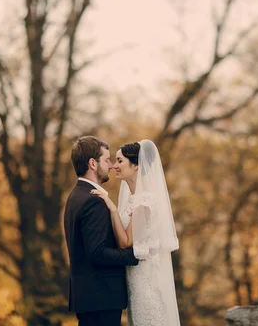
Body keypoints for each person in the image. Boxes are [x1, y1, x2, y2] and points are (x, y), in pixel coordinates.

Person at [91, 139, 181, 326]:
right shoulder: (135, 200)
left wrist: (112, 209)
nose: (114, 166)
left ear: (136, 166)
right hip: (135, 281)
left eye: (120, 161)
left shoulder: (143, 202)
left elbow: (126, 242)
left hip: (145, 283)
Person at [63, 136, 140, 326]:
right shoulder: (92, 201)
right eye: (106, 160)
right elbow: (97, 252)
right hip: (101, 297)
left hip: (90, 298)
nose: (112, 165)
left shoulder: (76, 196)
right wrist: (132, 256)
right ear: (92, 163)